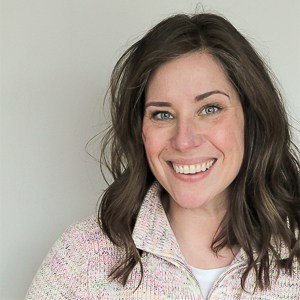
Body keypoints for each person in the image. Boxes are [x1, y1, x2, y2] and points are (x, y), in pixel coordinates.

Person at [26, 12, 300, 299]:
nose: (184, 140)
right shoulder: (81, 259)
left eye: (209, 109)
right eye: (162, 114)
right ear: (140, 130)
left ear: (251, 116)